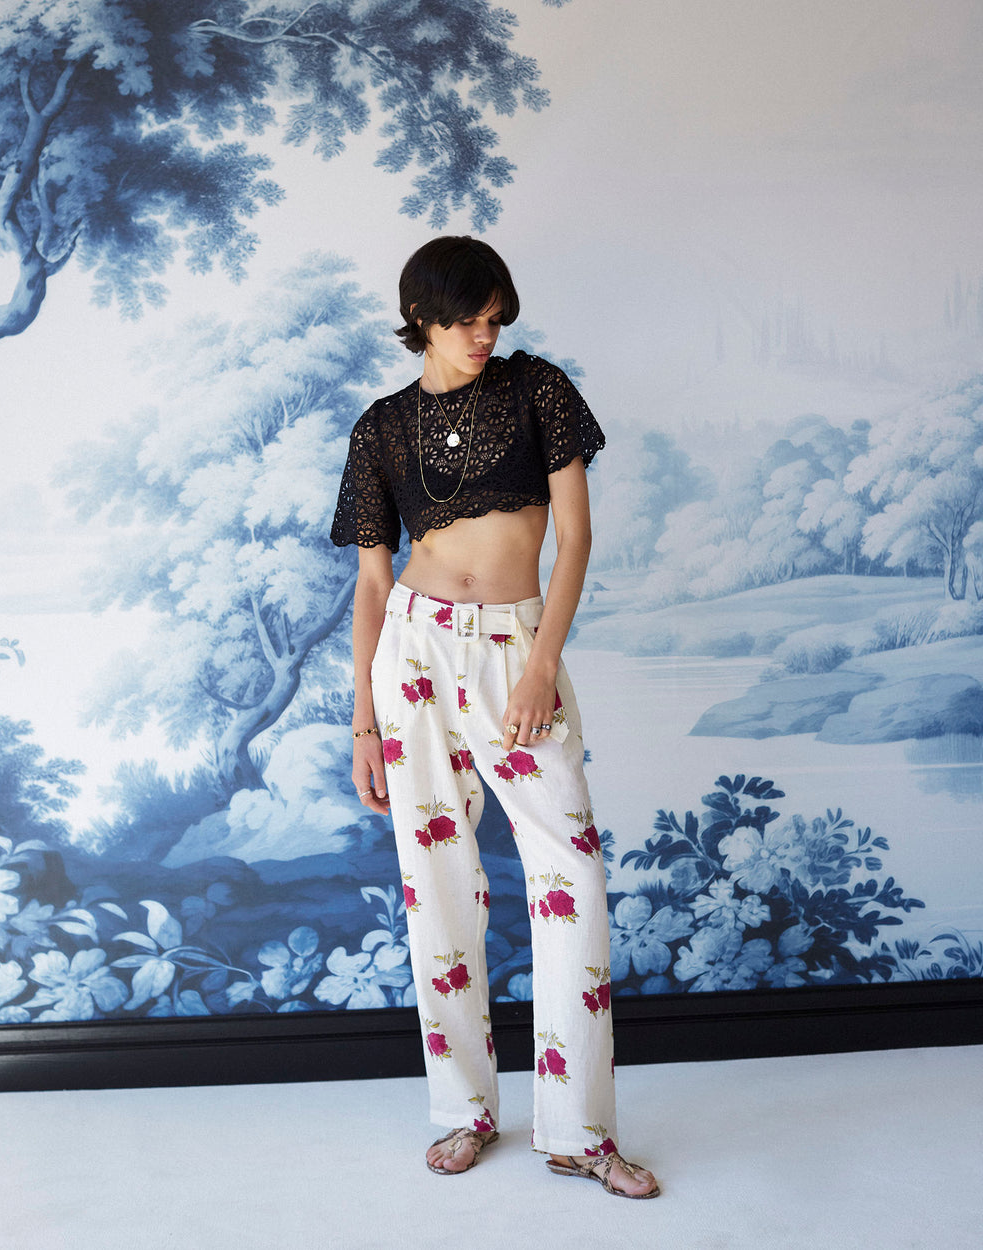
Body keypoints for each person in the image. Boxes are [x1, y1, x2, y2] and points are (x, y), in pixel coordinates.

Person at [330, 236, 659, 1199]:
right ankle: (464, 1112)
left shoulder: (537, 391)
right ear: (422, 319)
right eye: (469, 318)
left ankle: (581, 1131)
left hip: (518, 648)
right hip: (414, 653)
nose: (487, 333)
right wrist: (363, 720)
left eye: (496, 316)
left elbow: (576, 539)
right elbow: (370, 585)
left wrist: (542, 663)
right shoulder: (380, 429)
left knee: (570, 875)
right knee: (437, 882)